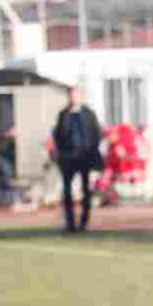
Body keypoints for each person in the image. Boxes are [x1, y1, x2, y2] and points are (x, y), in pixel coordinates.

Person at [51, 86, 103, 232]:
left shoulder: (89, 113)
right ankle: (70, 223)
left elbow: (96, 133)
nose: (73, 98)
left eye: (76, 95)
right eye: (71, 95)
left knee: (86, 190)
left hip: (85, 156)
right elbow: (58, 134)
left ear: (81, 96)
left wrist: (92, 151)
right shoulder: (63, 114)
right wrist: (60, 153)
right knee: (67, 191)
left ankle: (84, 222)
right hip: (68, 157)